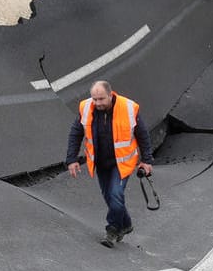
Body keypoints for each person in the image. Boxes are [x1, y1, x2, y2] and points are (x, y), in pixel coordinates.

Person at [65, 80, 154, 247]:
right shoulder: (85, 108)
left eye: (101, 99)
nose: (97, 103)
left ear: (110, 95)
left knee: (115, 194)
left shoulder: (128, 108)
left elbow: (142, 135)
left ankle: (112, 230)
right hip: (100, 162)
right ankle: (126, 224)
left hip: (122, 163)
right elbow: (75, 133)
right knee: (111, 198)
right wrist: (72, 159)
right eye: (95, 99)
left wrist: (147, 160)